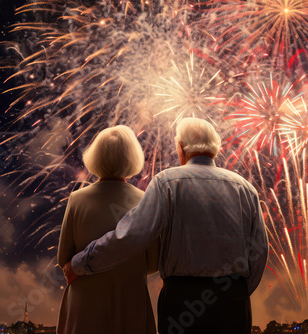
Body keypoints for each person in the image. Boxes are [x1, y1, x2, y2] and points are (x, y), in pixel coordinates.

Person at [64, 118, 268, 334]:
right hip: (233, 301)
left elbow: (130, 235)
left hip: (182, 300)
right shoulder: (246, 189)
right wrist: (238, 293)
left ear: (181, 148)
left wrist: (81, 263)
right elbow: (259, 251)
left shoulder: (166, 183)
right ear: (216, 148)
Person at [56, 125, 159, 334]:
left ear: (95, 156)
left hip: (84, 304)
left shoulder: (77, 199)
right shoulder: (145, 201)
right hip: (129, 301)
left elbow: (62, 258)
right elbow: (153, 262)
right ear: (132, 158)